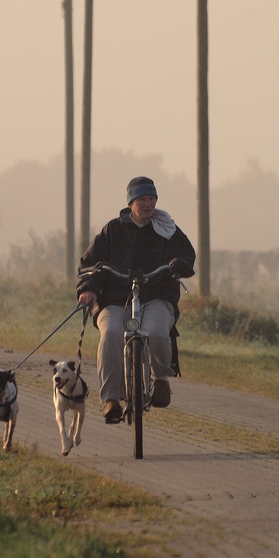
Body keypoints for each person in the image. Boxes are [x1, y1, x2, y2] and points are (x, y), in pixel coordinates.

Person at [76, 176, 196, 423]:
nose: (148, 203)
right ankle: (110, 399)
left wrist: (179, 265)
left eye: (152, 198)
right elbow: (88, 265)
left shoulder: (168, 229)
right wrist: (88, 288)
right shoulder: (113, 230)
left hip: (156, 296)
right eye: (142, 199)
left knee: (157, 331)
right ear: (131, 202)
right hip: (114, 299)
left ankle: (160, 380)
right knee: (110, 334)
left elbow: (187, 256)